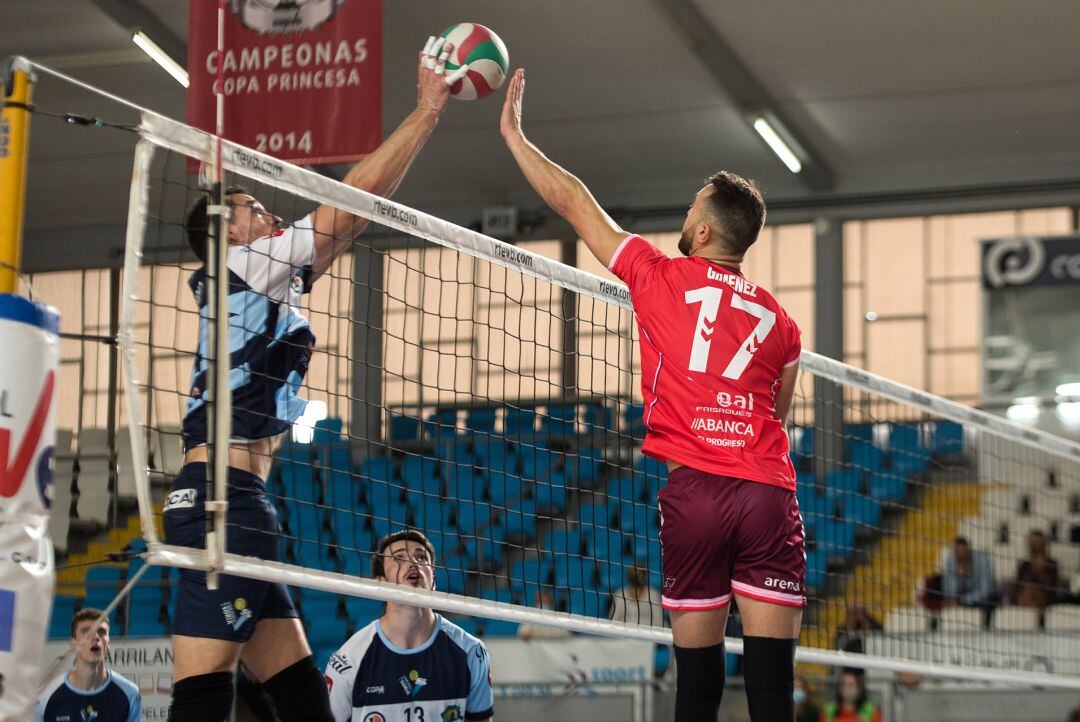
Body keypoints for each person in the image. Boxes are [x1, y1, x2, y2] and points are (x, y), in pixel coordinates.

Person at [165, 37, 463, 722]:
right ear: (221, 229)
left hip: (240, 504)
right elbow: (347, 196)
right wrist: (424, 112)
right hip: (219, 505)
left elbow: (353, 216)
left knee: (298, 691)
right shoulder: (242, 264)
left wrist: (426, 120)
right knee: (201, 694)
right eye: (250, 206)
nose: (267, 211)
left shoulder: (260, 281)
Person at [500, 69, 805, 722]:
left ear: (701, 233)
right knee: (772, 692)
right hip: (765, 491)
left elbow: (576, 203)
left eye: (693, 207)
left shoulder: (659, 275)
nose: (686, 212)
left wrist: (516, 136)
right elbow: (778, 413)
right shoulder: (781, 321)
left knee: (696, 688)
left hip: (694, 492)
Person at [324, 530, 494, 722]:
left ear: (433, 580)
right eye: (398, 558)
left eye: (421, 557)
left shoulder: (471, 652)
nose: (413, 563)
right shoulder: (348, 661)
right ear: (380, 582)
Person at [37, 609, 141, 722]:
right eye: (86, 632)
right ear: (73, 643)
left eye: (101, 632)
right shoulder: (45, 696)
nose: (96, 637)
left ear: (108, 643)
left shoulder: (129, 694)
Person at [941, 536, 997, 626]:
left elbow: (985, 591)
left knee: (991, 598)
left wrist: (963, 600)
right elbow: (948, 591)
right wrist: (959, 578)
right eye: (957, 553)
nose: (960, 556)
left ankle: (986, 629)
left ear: (968, 550)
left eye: (962, 552)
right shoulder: (951, 561)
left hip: (981, 599)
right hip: (962, 600)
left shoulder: (982, 560)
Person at [1013, 529, 1059, 609]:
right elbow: (1018, 586)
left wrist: (1039, 573)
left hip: (1044, 597)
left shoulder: (1051, 564)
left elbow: (1052, 587)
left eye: (1037, 542)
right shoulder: (1024, 565)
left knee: (1030, 592)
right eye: (1032, 542)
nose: (1035, 545)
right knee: (1027, 591)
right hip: (1025, 596)